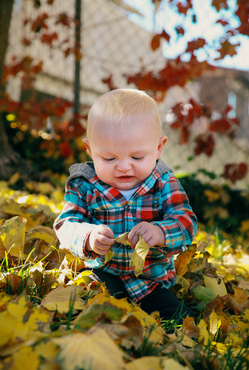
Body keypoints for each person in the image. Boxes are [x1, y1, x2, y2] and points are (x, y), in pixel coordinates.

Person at [54, 88, 197, 324]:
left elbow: (186, 222)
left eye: (137, 157)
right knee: (85, 301)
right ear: (90, 150)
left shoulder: (164, 183)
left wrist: (160, 232)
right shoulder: (84, 185)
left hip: (151, 283)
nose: (123, 167)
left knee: (179, 320)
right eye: (109, 159)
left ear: (158, 148)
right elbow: (65, 224)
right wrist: (88, 236)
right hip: (102, 273)